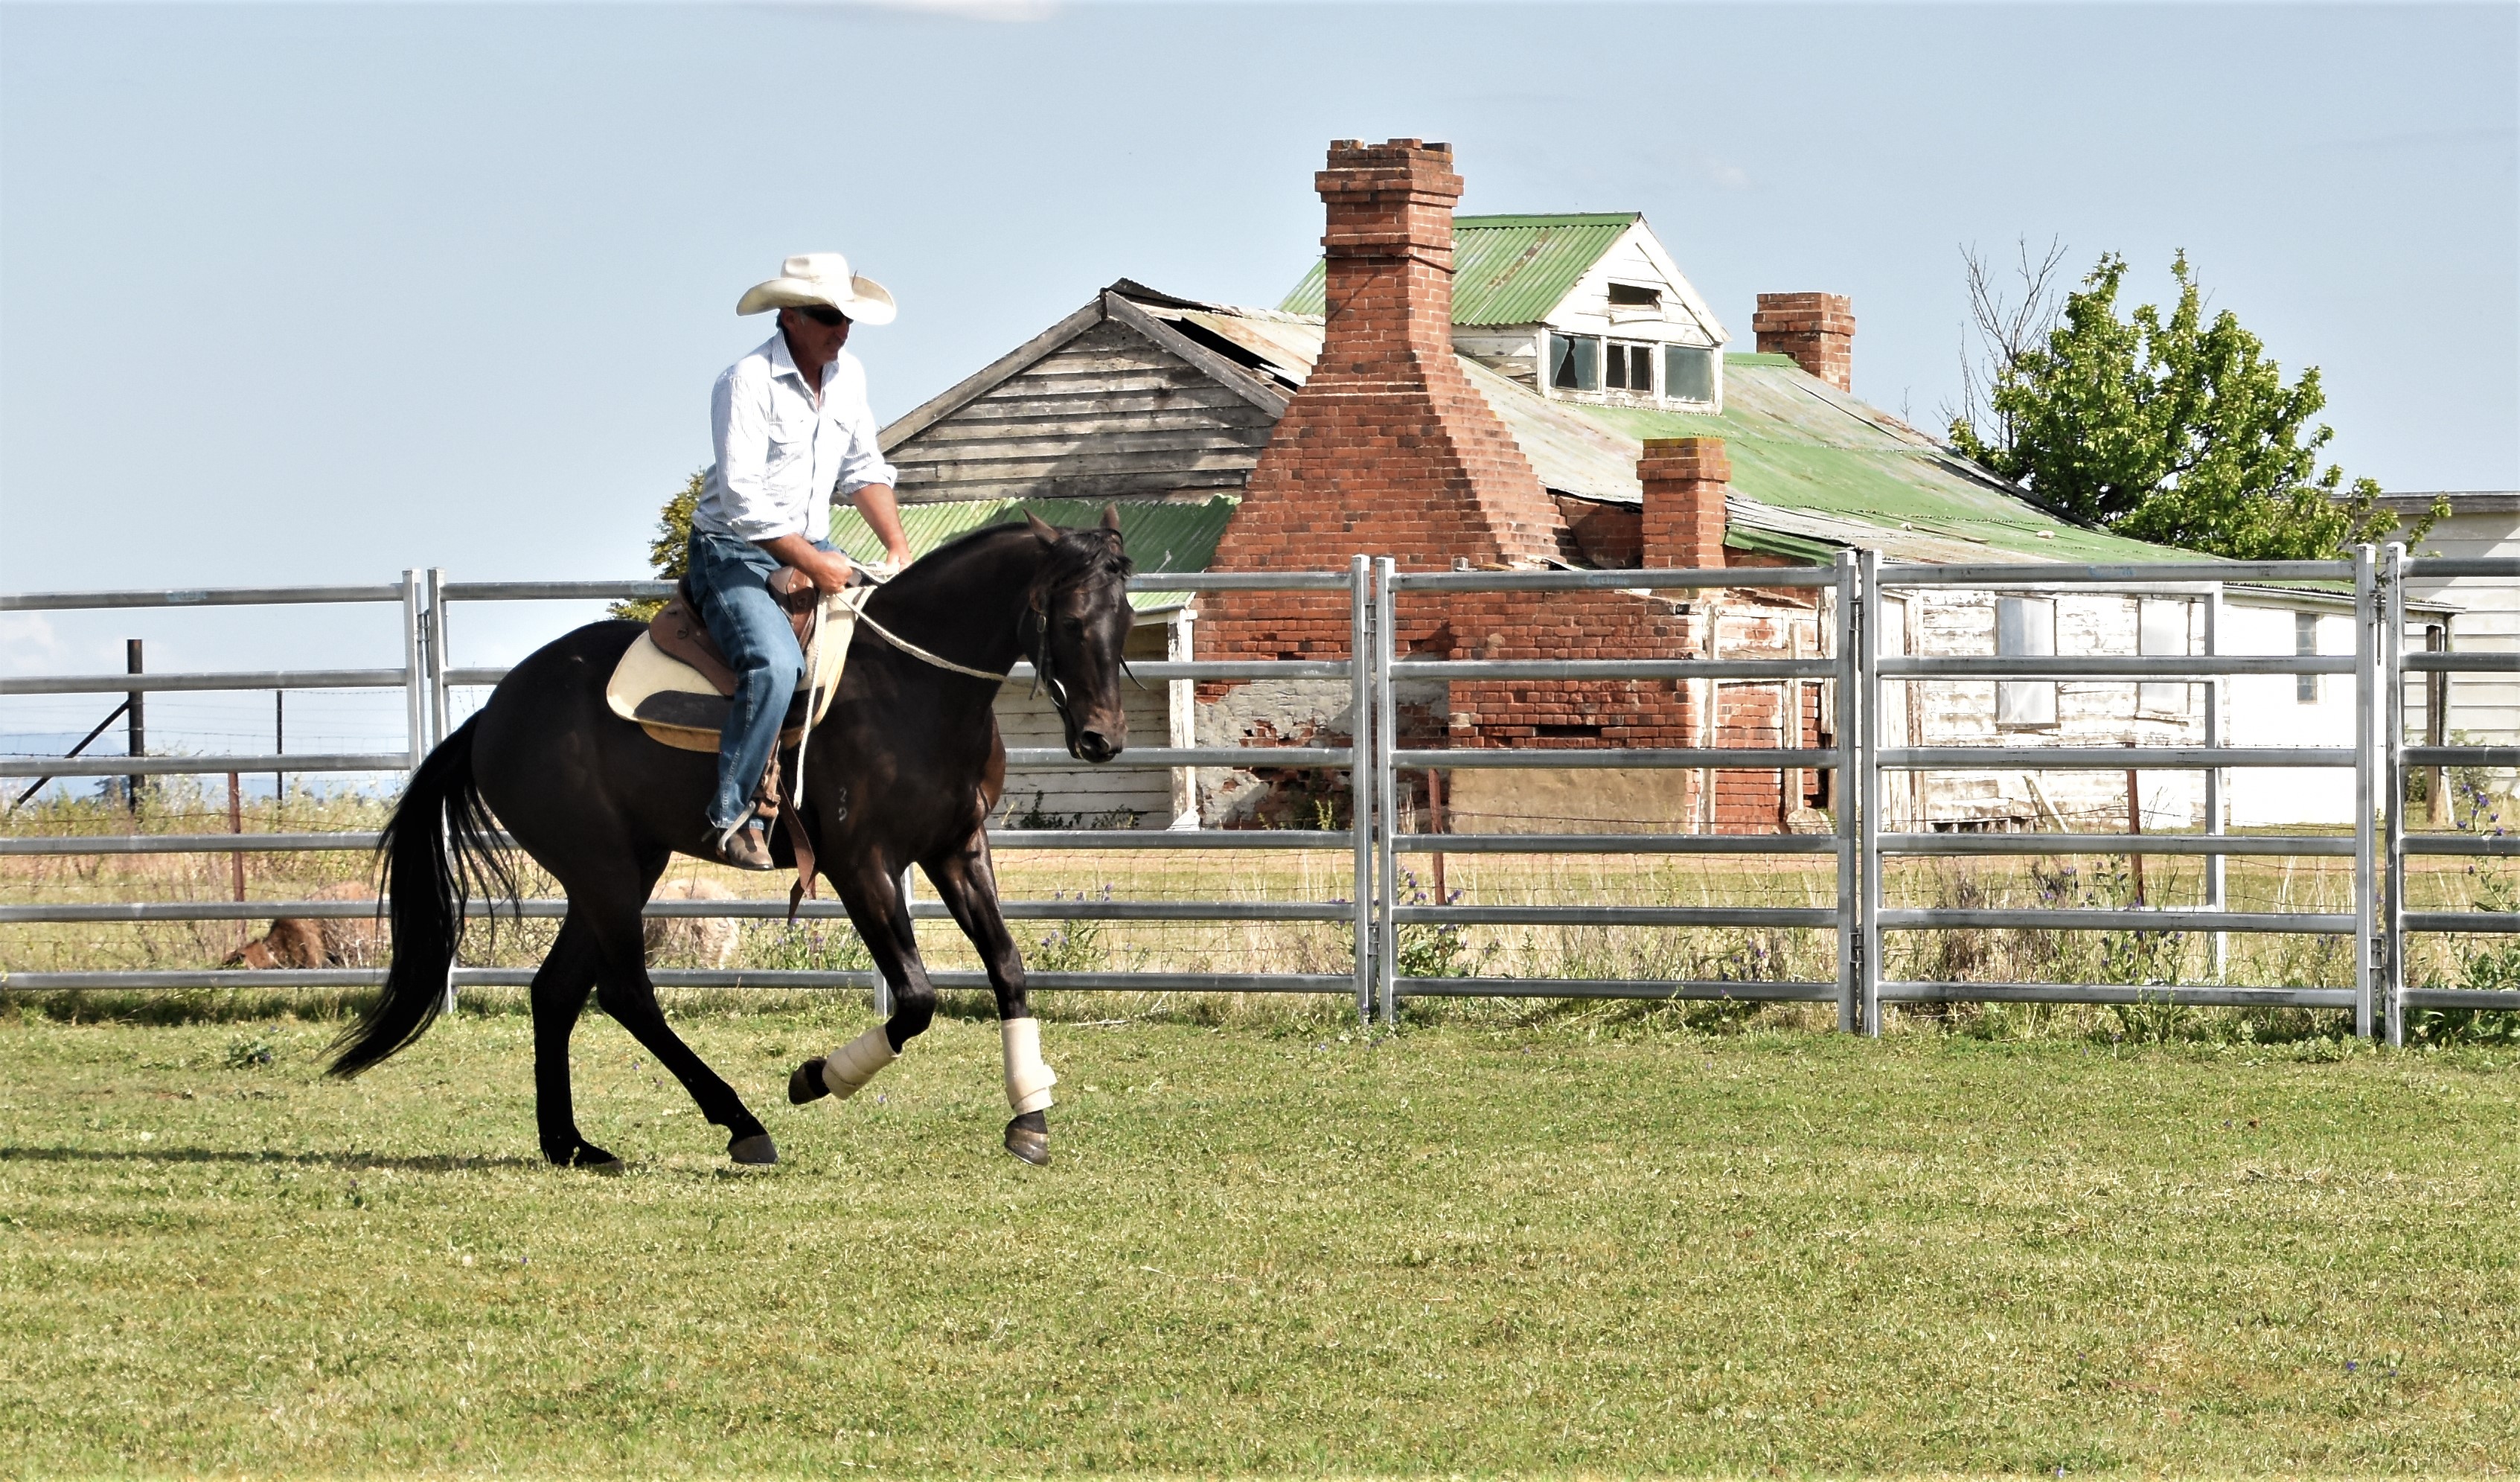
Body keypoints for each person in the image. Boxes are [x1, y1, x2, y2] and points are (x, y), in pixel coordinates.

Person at [688, 253, 916, 870]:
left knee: (890, 639)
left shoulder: (849, 377)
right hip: (732, 551)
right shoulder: (745, 381)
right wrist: (816, 565)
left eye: (847, 317)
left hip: (813, 546)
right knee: (774, 665)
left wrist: (898, 547)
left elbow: (863, 468)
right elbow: (742, 501)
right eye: (828, 316)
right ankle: (734, 813)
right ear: (789, 315)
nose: (843, 329)